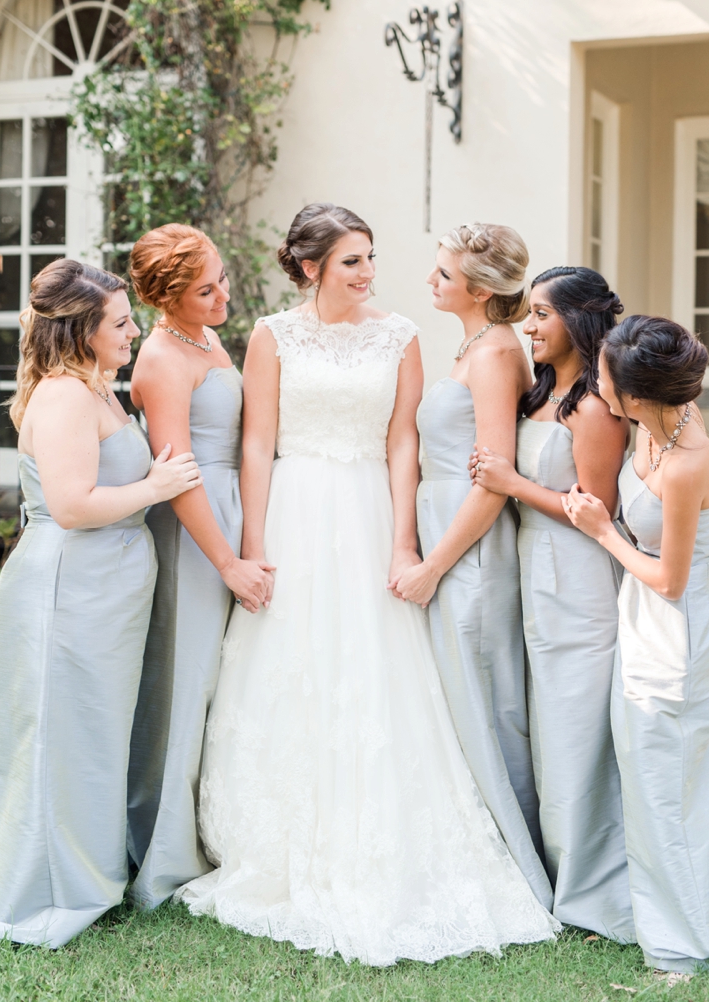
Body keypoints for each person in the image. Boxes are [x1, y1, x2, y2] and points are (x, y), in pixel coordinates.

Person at [177, 203, 558, 964]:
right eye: (352, 261)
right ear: (312, 266)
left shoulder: (403, 337)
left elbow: (402, 444)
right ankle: (275, 835)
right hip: (292, 511)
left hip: (369, 514)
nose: (369, 273)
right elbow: (257, 441)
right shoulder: (270, 335)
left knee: (378, 671)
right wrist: (252, 544)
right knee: (286, 668)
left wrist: (404, 540)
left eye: (371, 258)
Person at [0, 259, 201, 945]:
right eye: (121, 322)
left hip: (107, 590)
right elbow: (72, 507)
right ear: (82, 330)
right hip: (68, 586)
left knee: (94, 735)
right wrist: (158, 487)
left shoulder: (97, 388)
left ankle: (91, 871)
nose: (134, 331)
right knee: (57, 735)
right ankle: (46, 885)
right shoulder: (66, 398)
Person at [562, 315, 709, 975]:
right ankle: (671, 923)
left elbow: (671, 581)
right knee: (652, 785)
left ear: (633, 391)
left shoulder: (687, 459)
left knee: (669, 786)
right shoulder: (652, 427)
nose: (596, 382)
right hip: (640, 620)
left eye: (603, 376)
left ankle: (687, 946)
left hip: (676, 631)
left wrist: (602, 531)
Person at [469, 266, 633, 940]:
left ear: (579, 321)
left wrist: (512, 483)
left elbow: (598, 510)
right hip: (531, 572)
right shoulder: (540, 393)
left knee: (574, 726)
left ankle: (590, 882)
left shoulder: (594, 406)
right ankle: (551, 864)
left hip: (579, 575)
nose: (529, 326)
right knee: (542, 722)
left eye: (541, 314)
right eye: (528, 314)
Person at [392, 223, 551, 911]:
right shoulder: (475, 344)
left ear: (480, 291)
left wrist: (432, 566)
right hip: (443, 526)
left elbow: (494, 480)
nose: (431, 282)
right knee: (460, 698)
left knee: (485, 700)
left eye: (442, 274)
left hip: (470, 548)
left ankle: (514, 859)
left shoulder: (491, 356)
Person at [125, 224, 273, 910]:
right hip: (193, 531)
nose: (223, 295)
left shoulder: (205, 336)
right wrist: (229, 562)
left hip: (230, 512)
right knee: (185, 680)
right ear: (166, 297)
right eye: (205, 289)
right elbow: (177, 474)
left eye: (220, 278)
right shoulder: (159, 359)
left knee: (223, 680)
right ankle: (162, 853)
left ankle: (211, 827)